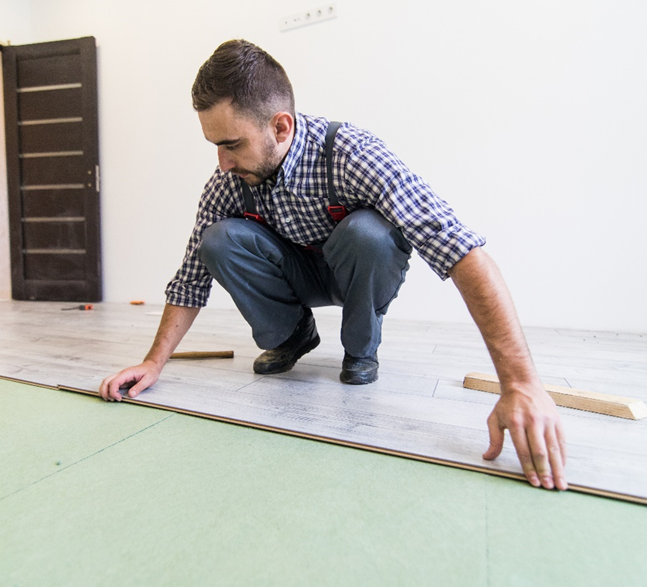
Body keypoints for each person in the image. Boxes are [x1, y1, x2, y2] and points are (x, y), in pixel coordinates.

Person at [100, 40, 567, 491]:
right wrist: (153, 362)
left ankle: (361, 347)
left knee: (369, 233)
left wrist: (521, 384)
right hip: (298, 276)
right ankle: (291, 336)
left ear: (281, 127)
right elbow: (191, 277)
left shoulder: (353, 154)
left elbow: (460, 249)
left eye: (232, 145)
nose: (221, 163)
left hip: (356, 270)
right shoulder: (228, 181)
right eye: (214, 146)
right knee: (217, 241)